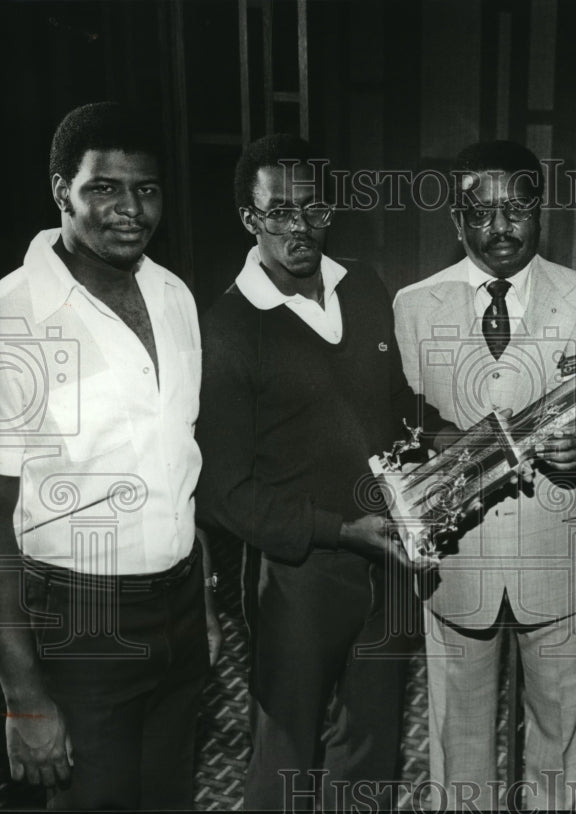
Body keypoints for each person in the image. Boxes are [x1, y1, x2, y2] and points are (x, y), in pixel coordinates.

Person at [195, 133, 445, 811]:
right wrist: (339, 530)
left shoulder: (362, 284)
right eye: (279, 212)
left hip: (388, 555)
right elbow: (222, 492)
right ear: (250, 218)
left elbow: (395, 405)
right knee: (285, 757)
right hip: (296, 575)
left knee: (371, 746)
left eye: (313, 208)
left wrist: (456, 439)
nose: (299, 227)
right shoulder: (227, 327)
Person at [393, 139, 576, 809]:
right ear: (455, 221)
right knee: (457, 749)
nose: (499, 228)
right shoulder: (414, 305)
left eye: (516, 208)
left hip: (558, 561)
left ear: (540, 210)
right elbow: (402, 430)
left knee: (562, 745)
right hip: (456, 564)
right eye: (479, 211)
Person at [0, 101, 217, 809]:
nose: (130, 209)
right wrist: (24, 697)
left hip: (180, 609)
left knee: (167, 800)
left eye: (146, 189)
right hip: (78, 617)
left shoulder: (174, 294)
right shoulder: (16, 316)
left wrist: (204, 606)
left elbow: (179, 461)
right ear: (62, 190)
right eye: (105, 188)